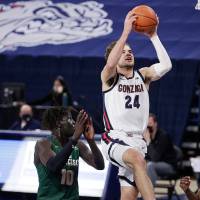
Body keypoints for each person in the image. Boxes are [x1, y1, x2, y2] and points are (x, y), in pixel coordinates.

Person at [100, 10, 172, 200]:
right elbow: (109, 65)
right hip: (114, 138)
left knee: (129, 195)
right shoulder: (109, 78)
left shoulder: (143, 75)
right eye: (123, 52)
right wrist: (125, 33)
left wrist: (154, 36)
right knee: (139, 161)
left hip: (138, 142)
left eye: (130, 51)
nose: (128, 53)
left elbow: (166, 65)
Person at [34, 107, 105, 200]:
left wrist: (91, 141)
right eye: (70, 119)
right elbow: (54, 166)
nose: (74, 123)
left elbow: (100, 165)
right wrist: (75, 138)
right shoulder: (43, 144)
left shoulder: (78, 145)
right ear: (58, 123)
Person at [144, 113, 177, 185]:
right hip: (154, 163)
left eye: (150, 123)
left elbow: (155, 158)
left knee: (150, 165)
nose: (148, 126)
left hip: (168, 165)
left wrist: (148, 142)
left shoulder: (163, 136)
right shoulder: (145, 136)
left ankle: (149, 193)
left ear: (155, 124)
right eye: (147, 124)